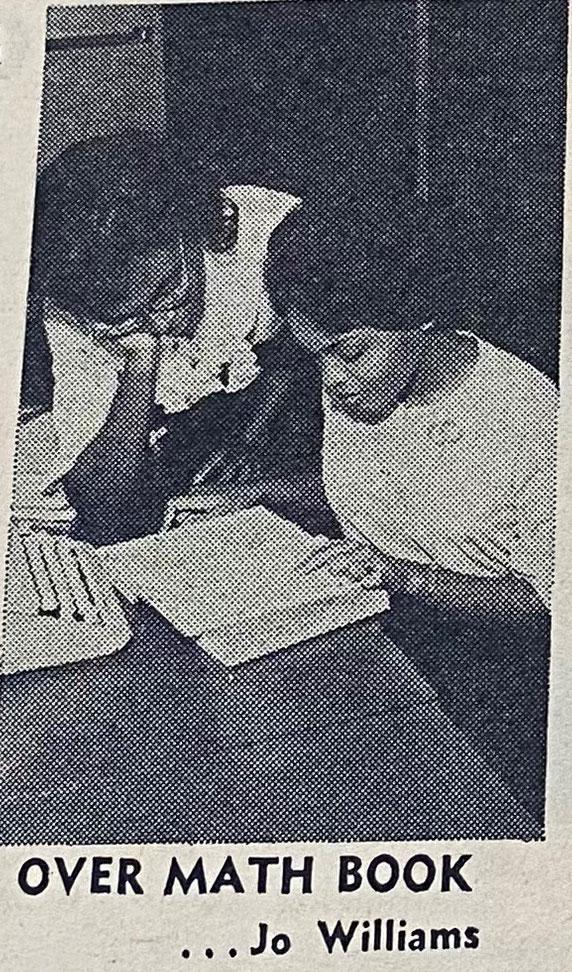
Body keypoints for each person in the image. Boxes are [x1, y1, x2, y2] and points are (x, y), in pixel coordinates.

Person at [262, 197, 558, 623]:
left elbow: (548, 597)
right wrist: (249, 499)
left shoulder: (526, 416)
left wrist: (398, 576)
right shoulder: (367, 383)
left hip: (477, 657)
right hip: (363, 615)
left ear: (417, 320)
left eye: (351, 352)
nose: (331, 380)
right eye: (315, 356)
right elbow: (388, 492)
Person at [15, 133, 314, 543]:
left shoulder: (276, 233)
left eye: (168, 291)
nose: (162, 323)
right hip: (201, 463)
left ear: (192, 230)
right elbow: (103, 502)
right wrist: (141, 363)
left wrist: (257, 470)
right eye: (125, 320)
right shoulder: (76, 308)